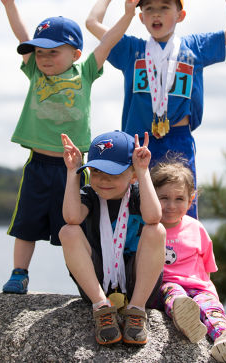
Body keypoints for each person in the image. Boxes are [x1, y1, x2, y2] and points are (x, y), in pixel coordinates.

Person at [0, 0, 139, 294]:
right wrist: (10, 5)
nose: (44, 58)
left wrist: (127, 12)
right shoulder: (35, 72)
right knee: (26, 223)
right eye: (40, 53)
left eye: (53, 52)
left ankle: (87, 280)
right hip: (38, 164)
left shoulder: (85, 71)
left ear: (74, 53)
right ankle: (19, 273)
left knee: (75, 226)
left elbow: (110, 39)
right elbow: (22, 37)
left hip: (71, 167)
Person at [85, 0, 226, 219]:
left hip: (178, 139)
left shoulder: (194, 47)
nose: (156, 14)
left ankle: (184, 255)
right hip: (137, 143)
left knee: (180, 209)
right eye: (149, 9)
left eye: (164, 7)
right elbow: (93, 23)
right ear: (141, 17)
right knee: (136, 211)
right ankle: (135, 256)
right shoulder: (132, 49)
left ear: (180, 15)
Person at [150, 155, 226, 362]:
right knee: (176, 297)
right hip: (168, 284)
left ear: (190, 200)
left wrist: (209, 293)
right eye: (163, 198)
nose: (170, 205)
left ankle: (224, 338)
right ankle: (189, 323)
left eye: (179, 199)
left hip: (198, 286)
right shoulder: (150, 229)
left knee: (210, 308)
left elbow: (207, 268)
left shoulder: (196, 228)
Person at [60, 130, 165, 346]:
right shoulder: (90, 195)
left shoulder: (136, 194)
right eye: (96, 172)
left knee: (156, 230)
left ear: (132, 175)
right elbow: (72, 216)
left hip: (137, 283)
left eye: (114, 173)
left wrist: (143, 172)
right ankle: (101, 308)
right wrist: (73, 173)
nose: (104, 180)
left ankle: (136, 311)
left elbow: (154, 216)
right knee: (68, 231)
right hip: (98, 284)